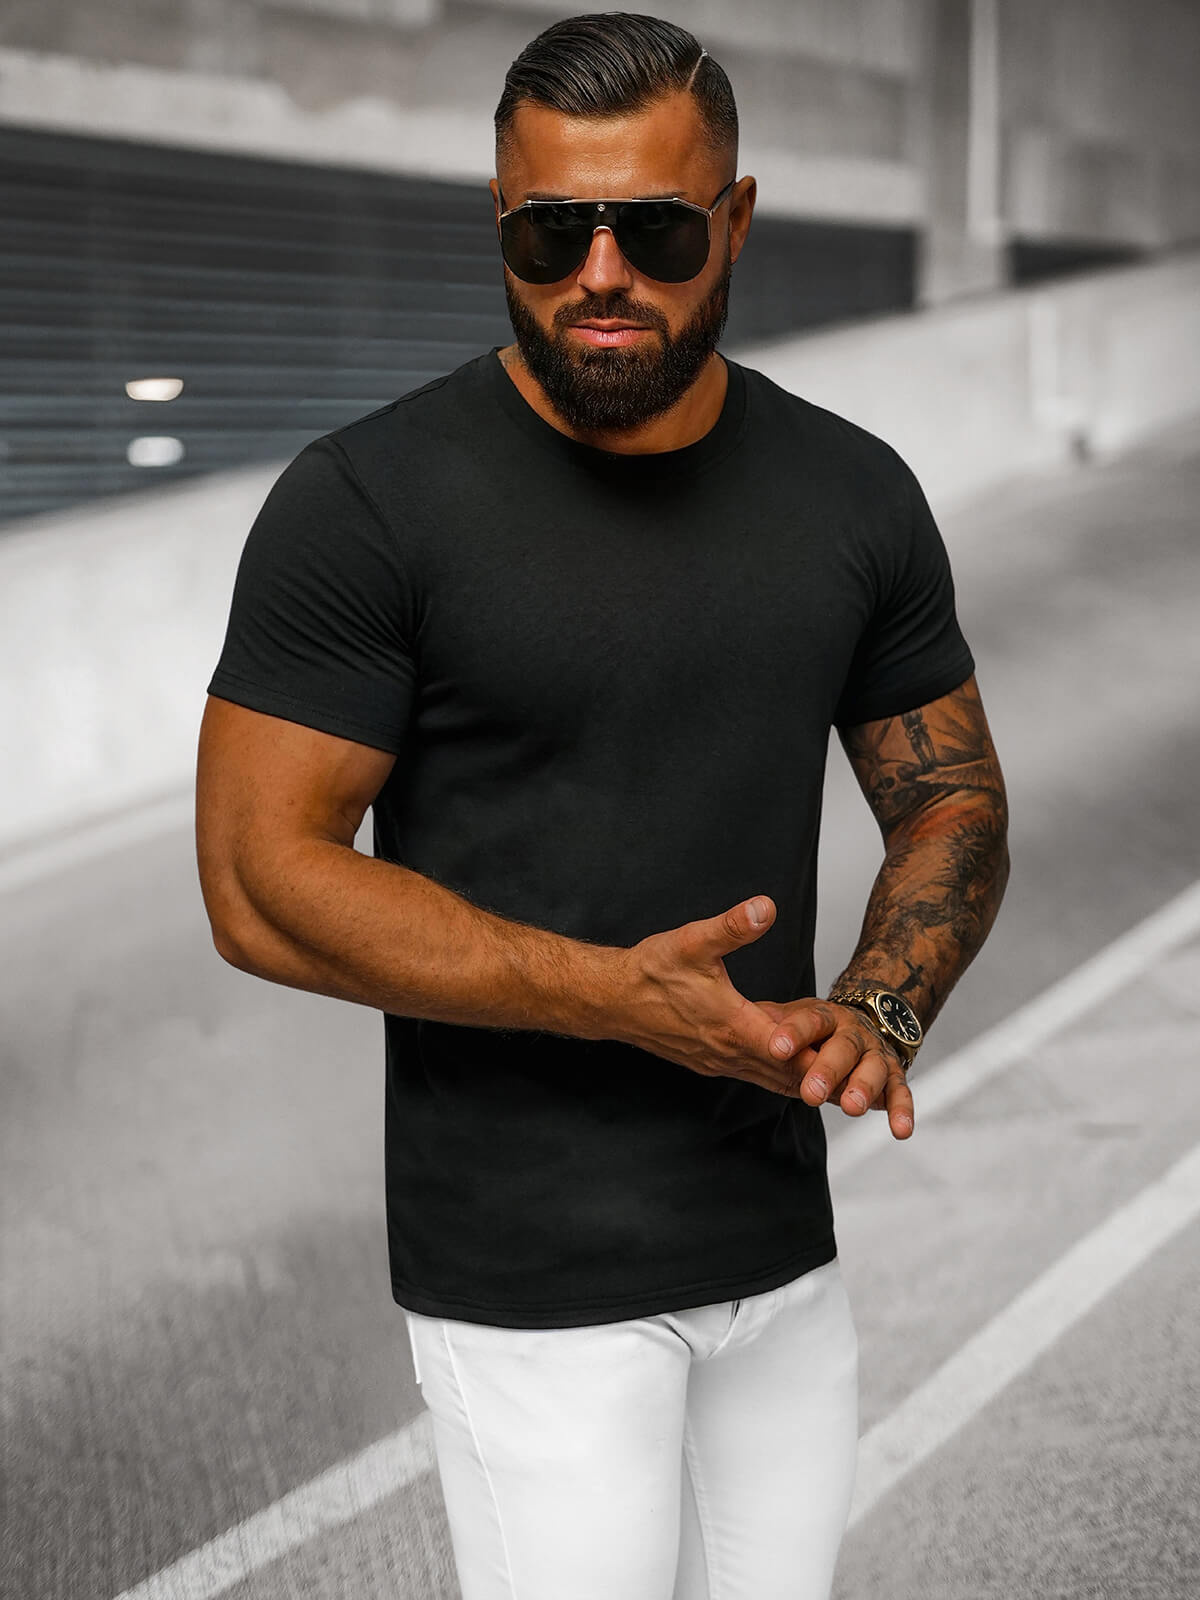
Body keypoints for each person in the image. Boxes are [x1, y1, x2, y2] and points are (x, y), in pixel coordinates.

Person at [195, 12, 1010, 1599]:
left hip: (776, 1251)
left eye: (656, 228)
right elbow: (257, 879)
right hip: (531, 1287)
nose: (602, 273)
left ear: (738, 219)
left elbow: (950, 793)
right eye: (551, 231)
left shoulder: (853, 493)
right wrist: (612, 998)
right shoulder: (365, 506)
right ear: (501, 220)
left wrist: (884, 1002)